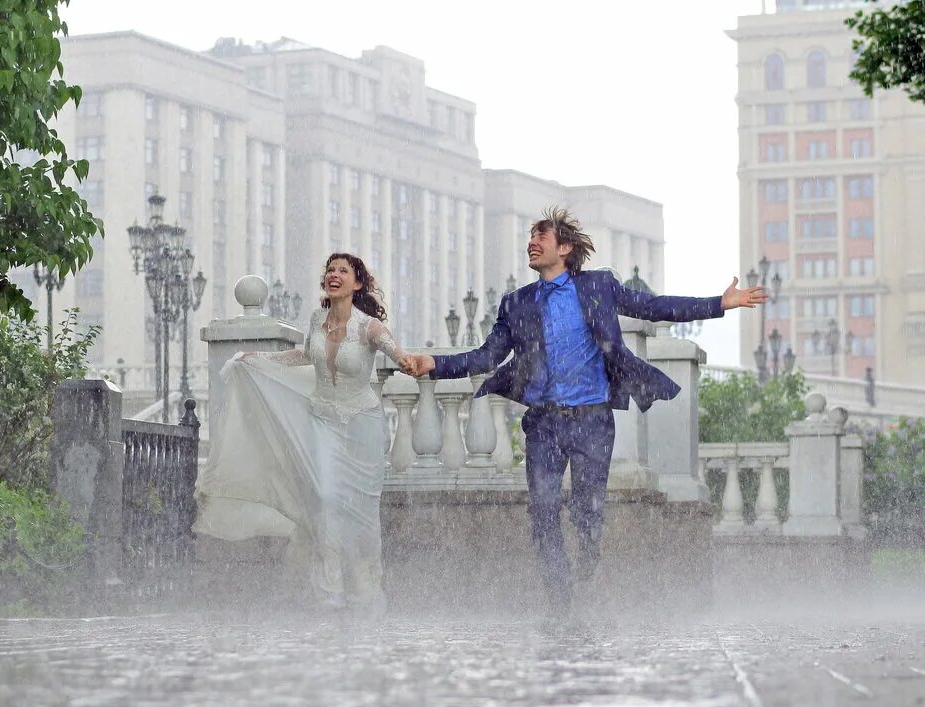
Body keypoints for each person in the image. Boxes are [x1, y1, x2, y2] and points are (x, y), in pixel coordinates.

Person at [400, 206, 767, 616]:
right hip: (543, 422)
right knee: (542, 510)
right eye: (531, 237)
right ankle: (559, 595)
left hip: (592, 419)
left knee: (587, 511)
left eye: (542, 236)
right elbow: (487, 356)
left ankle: (589, 548)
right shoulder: (517, 303)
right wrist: (435, 364)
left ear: (565, 247)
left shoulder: (598, 286)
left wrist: (719, 302)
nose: (532, 243)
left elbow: (654, 307)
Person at [194, 253, 408, 612]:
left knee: (361, 511)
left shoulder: (369, 327)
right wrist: (257, 360)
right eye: (330, 269)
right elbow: (305, 355)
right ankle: (329, 589)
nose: (334, 274)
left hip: (363, 428)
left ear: (357, 284)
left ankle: (365, 587)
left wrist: (409, 361)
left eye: (343, 271)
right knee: (324, 497)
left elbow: (396, 353)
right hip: (323, 421)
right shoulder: (315, 320)